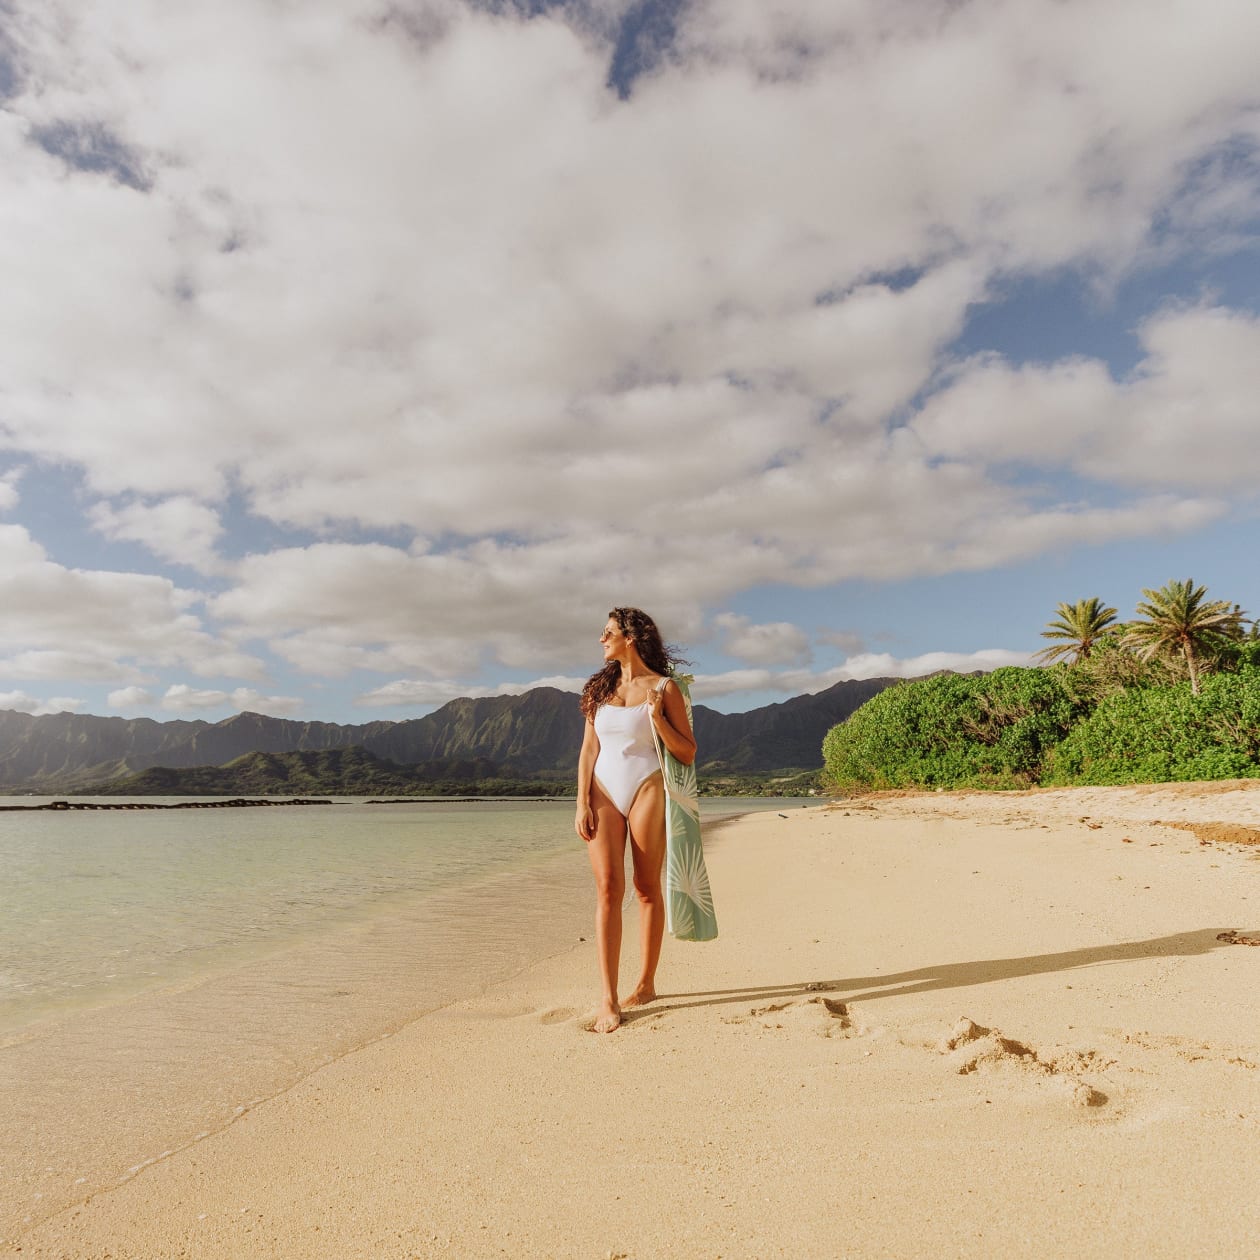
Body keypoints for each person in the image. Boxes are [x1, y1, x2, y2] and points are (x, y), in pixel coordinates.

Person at [575, 607, 696, 1033]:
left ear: (630, 636)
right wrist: (580, 802)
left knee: (646, 888)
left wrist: (658, 717)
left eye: (607, 633)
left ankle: (645, 983)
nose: (601, 639)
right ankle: (607, 997)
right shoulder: (597, 690)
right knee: (608, 887)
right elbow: (589, 751)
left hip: (647, 786)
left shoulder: (665, 688)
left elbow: (686, 751)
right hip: (603, 791)